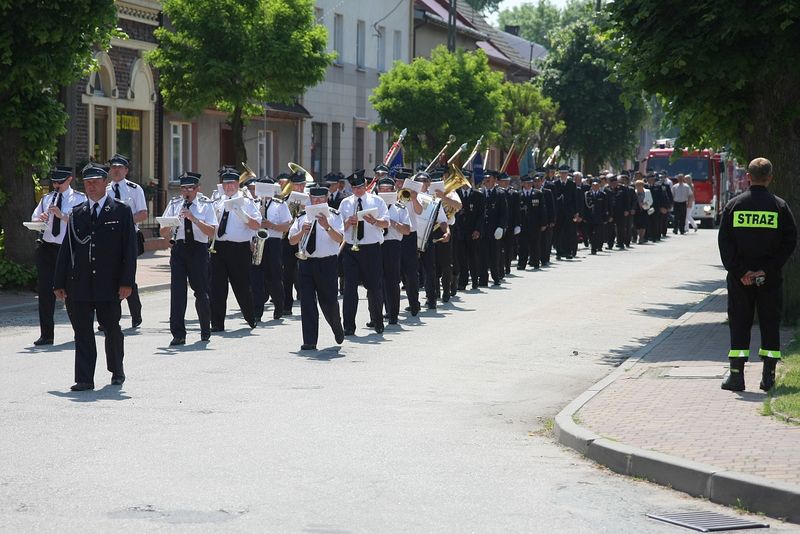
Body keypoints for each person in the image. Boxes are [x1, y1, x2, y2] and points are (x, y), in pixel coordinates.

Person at [53, 163, 137, 391]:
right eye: (87, 183)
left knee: (111, 328)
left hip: (109, 284)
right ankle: (84, 378)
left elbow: (129, 250)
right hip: (79, 283)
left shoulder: (120, 211)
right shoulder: (77, 213)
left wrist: (127, 282)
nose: (91, 186)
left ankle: (116, 370)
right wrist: (59, 282)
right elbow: (66, 249)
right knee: (82, 331)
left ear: (105, 183)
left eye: (95, 182)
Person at [718, 157, 797, 392]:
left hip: (740, 280)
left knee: (740, 324)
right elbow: (789, 241)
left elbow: (725, 242)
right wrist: (768, 269)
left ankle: (736, 377)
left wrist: (740, 271)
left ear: (748, 177)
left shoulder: (734, 205)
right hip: (769, 279)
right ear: (770, 177)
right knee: (770, 324)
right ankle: (768, 377)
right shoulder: (780, 207)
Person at [159, 172, 217, 345]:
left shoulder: (206, 204)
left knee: (201, 291)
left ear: (198, 189)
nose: (186, 192)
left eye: (190, 188)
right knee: (177, 292)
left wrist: (194, 219)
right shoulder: (175, 204)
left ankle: (205, 329)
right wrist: (171, 224)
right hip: (179, 249)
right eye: (183, 188)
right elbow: (163, 233)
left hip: (198, 250)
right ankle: (178, 333)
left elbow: (212, 232)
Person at [30, 166, 86, 346]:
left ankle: (81, 331)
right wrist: (41, 220)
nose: (56, 185)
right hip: (47, 247)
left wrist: (61, 216)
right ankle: (46, 334)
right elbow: (34, 218)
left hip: (67, 249)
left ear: (69, 180)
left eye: (59, 182)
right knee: (45, 292)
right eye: (54, 182)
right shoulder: (47, 198)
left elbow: (82, 222)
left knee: (70, 292)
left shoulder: (79, 198)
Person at [288, 184, 346, 351]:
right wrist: (301, 233)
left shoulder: (334, 216)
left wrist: (326, 225)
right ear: (310, 200)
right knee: (307, 303)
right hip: (306, 262)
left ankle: (336, 325)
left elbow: (339, 238)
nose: (318, 202)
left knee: (328, 302)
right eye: (315, 199)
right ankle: (310, 340)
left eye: (321, 199)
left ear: (326, 200)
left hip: (327, 263)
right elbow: (292, 241)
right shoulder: (301, 217)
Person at [210, 167, 261, 331]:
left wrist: (240, 212)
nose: (229, 186)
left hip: (239, 248)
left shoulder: (247, 201)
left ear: (238, 184)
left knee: (242, 286)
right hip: (218, 247)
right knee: (217, 287)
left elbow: (257, 224)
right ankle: (217, 323)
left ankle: (250, 317)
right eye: (226, 183)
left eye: (232, 183)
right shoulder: (217, 201)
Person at [339, 170, 390, 334]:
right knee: (349, 288)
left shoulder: (377, 201)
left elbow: (386, 223)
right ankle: (348, 326)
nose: (357, 191)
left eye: (360, 187)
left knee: (374, 287)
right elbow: (338, 228)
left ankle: (377, 321)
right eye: (354, 188)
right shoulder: (345, 203)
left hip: (371, 248)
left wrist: (375, 221)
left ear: (366, 186)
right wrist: (348, 222)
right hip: (351, 248)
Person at [106, 154, 146, 328]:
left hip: (129, 237)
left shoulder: (134, 189)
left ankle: (135, 313)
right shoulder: (104, 189)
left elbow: (143, 213)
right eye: (113, 167)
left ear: (126, 170)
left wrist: (123, 223)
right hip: (108, 239)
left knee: (127, 275)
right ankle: (111, 316)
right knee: (109, 276)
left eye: (119, 167)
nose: (116, 170)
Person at [251, 177, 292, 322]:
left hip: (274, 242)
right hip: (256, 241)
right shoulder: (253, 203)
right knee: (256, 278)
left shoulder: (280, 205)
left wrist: (271, 225)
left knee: (274, 277)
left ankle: (279, 307)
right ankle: (257, 311)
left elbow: (286, 226)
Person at [377, 177, 411, 324]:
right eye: (382, 190)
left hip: (392, 245)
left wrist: (393, 223)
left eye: (387, 190)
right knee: (376, 282)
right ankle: (376, 315)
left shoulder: (400, 208)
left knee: (391, 281)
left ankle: (393, 314)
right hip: (376, 245)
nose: (384, 192)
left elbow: (407, 230)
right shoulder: (374, 206)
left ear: (393, 191)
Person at [394, 169, 422, 315]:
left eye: (401, 182)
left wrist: (414, 198)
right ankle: (393, 308)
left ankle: (414, 303)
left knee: (410, 272)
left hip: (409, 236)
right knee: (393, 273)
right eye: (397, 181)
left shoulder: (412, 195)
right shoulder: (390, 194)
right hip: (393, 235)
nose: (398, 184)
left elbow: (419, 211)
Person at [454, 171, 484, 290]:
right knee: (461, 258)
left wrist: (478, 229)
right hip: (460, 231)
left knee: (473, 257)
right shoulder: (455, 194)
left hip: (473, 231)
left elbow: (481, 214)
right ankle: (463, 282)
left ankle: (475, 280)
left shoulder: (478, 195)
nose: (463, 183)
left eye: (466, 179)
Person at [517, 174, 548, 270]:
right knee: (522, 245)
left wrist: (543, 223)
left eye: (530, 183)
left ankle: (535, 261)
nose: (529, 185)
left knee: (535, 244)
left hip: (535, 224)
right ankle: (522, 263)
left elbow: (542, 209)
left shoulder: (538, 193)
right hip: (522, 224)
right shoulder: (518, 195)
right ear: (523, 184)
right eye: (527, 183)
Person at [585, 178, 609, 254]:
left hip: (599, 218)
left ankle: (594, 248)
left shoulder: (603, 195)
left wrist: (605, 218)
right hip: (589, 218)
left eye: (597, 185)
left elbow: (605, 207)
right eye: (593, 185)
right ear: (591, 186)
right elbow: (585, 206)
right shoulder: (587, 194)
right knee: (590, 233)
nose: (595, 187)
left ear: (599, 186)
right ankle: (592, 244)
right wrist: (584, 217)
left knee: (597, 233)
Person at [633, 179, 653, 244]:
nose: (638, 187)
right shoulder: (634, 192)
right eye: (637, 185)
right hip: (637, 210)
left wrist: (644, 205)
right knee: (637, 224)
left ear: (642, 185)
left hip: (645, 209)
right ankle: (639, 236)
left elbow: (650, 201)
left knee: (643, 224)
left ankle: (642, 237)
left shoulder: (647, 191)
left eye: (639, 185)